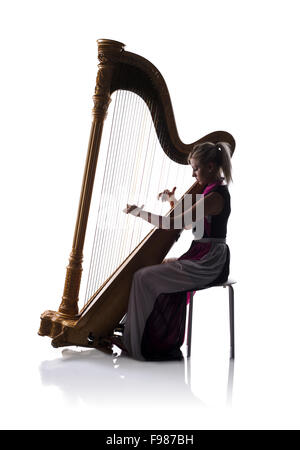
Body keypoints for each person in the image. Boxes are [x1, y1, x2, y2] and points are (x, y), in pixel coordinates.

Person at [100, 141, 232, 360]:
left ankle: (136, 342)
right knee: (154, 268)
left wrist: (139, 213)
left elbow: (173, 224)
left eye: (195, 168)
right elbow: (192, 226)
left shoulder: (214, 197)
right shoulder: (210, 190)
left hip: (209, 261)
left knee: (143, 277)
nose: (193, 175)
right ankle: (138, 331)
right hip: (202, 253)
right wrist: (173, 201)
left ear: (210, 167)